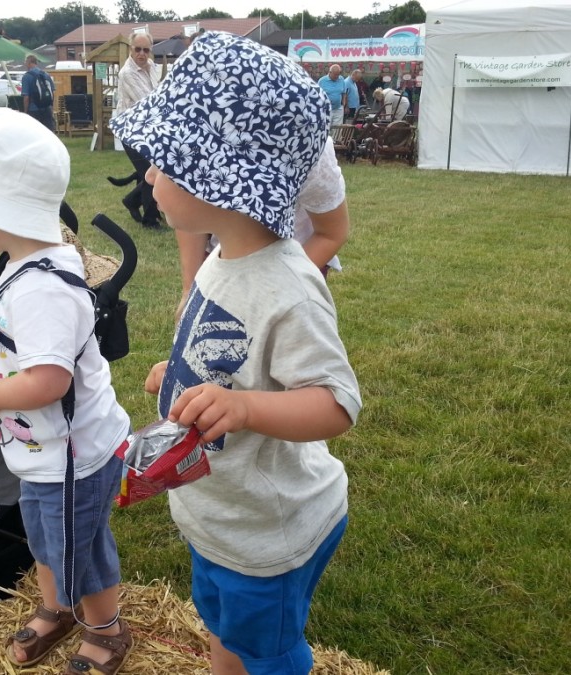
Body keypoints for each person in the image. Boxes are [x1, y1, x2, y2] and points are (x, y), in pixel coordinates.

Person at [110, 31, 362, 675]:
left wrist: (244, 408)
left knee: (267, 652)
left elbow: (335, 404)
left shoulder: (289, 289)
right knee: (222, 624)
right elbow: (230, 353)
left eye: (165, 162)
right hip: (221, 516)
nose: (148, 175)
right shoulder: (224, 257)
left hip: (268, 531)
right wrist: (185, 376)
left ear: (220, 181)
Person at [0, 108, 133, 675]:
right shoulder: (31, 262)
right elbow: (40, 341)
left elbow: (50, 380)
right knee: (48, 539)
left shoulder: (41, 287)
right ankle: (56, 607)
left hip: (73, 457)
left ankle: (106, 631)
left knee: (76, 548)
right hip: (46, 454)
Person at [173, 137, 349, 319]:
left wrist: (270, 292)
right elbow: (188, 212)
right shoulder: (200, 129)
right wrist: (191, 291)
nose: (150, 176)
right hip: (220, 266)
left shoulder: (309, 142)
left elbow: (331, 233)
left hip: (295, 272)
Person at [113, 32, 162, 230]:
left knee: (153, 171)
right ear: (131, 49)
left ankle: (132, 201)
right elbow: (148, 101)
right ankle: (150, 221)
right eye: (137, 49)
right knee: (150, 174)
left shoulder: (153, 68)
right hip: (131, 131)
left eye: (146, 49)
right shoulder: (126, 74)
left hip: (147, 130)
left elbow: (158, 95)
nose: (142, 54)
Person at [21, 54, 55, 131]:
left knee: (34, 133)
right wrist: (51, 108)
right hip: (47, 108)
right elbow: (52, 93)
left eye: (25, 62)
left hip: (33, 109)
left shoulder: (26, 77)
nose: (25, 64)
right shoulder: (46, 74)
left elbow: (26, 97)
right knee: (48, 132)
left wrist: (26, 112)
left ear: (29, 63)